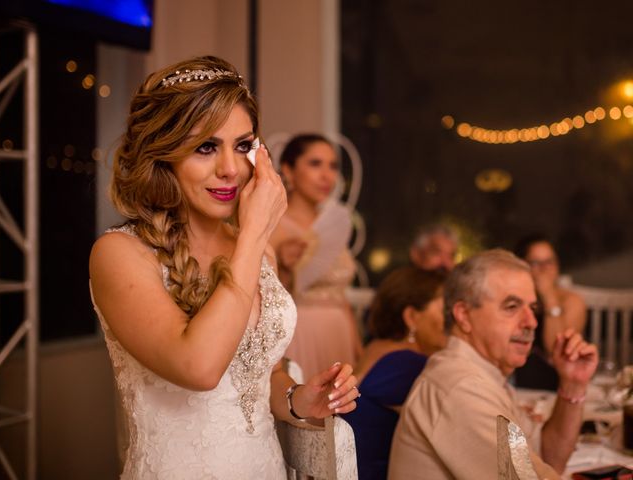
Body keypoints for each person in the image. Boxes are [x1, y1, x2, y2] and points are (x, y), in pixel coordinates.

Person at [88, 56, 359, 479]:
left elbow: (259, 371)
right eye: (205, 147)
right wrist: (254, 234)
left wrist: (296, 398)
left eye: (243, 145)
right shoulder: (120, 254)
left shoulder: (254, 249)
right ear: (163, 155)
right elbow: (199, 367)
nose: (231, 169)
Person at [389, 249, 598, 480]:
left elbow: (548, 457)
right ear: (464, 316)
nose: (532, 322)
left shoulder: (483, 374)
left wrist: (573, 385)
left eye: (532, 308)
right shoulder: (463, 387)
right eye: (511, 307)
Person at [269, 133, 362, 381]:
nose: (326, 176)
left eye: (332, 166)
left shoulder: (331, 227)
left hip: (340, 332)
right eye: (315, 164)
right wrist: (287, 269)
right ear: (288, 170)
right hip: (302, 334)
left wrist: (356, 345)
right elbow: (264, 301)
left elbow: (339, 294)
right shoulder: (275, 224)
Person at [342, 266, 446, 480]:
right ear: (411, 317)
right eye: (444, 309)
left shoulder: (377, 348)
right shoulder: (407, 364)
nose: (452, 320)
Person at [515, 234, 587, 356]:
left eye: (549, 262)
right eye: (535, 263)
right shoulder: (515, 298)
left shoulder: (572, 301)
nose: (544, 269)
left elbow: (556, 351)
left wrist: (549, 297)